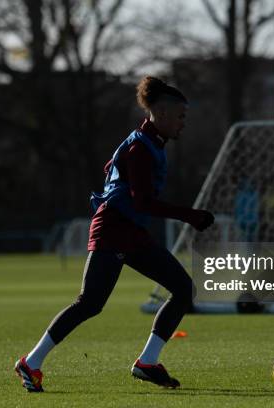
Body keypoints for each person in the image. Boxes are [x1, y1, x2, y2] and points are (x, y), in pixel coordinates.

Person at [14, 76, 215, 392]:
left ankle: (147, 362)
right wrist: (189, 216)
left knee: (182, 288)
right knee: (90, 303)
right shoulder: (140, 147)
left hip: (130, 230)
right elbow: (142, 201)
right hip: (112, 228)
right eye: (180, 116)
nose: (183, 123)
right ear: (161, 114)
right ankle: (31, 362)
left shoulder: (146, 142)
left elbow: (115, 170)